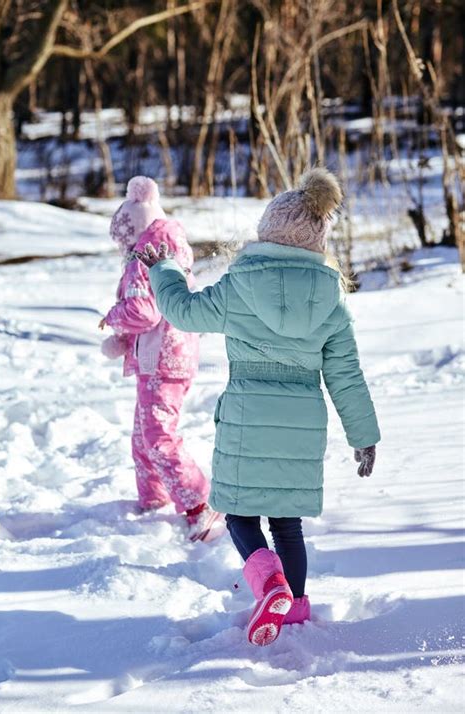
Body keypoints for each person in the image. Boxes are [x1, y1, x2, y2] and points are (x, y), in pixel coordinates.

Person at [136, 167, 380, 646]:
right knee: (287, 522)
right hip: (302, 422)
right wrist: (363, 435)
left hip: (248, 416)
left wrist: (162, 269)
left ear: (268, 232)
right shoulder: (331, 298)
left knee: (240, 514)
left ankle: (271, 587)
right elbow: (346, 374)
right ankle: (294, 611)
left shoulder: (240, 283)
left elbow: (183, 310)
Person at [99, 176, 224, 542]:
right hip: (167, 355)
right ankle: (153, 501)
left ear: (133, 232)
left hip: (163, 359)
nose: (123, 249)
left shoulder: (145, 254)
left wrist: (114, 316)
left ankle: (200, 502)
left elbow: (144, 310)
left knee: (157, 436)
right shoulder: (166, 250)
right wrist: (125, 341)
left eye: (123, 242)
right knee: (143, 436)